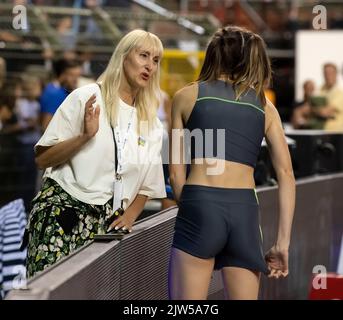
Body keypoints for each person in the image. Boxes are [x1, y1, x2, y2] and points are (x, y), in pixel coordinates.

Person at [23, 29, 166, 278]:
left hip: (105, 227)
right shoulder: (87, 97)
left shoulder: (151, 123)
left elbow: (148, 185)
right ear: (123, 56)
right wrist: (84, 137)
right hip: (60, 214)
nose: (150, 66)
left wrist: (130, 217)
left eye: (155, 60)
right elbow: (42, 159)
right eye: (143, 55)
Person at [168, 26, 295, 300]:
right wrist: (282, 243)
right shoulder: (264, 106)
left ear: (213, 54)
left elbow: (176, 174)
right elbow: (285, 173)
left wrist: (195, 212)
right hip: (245, 213)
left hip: (201, 203)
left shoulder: (186, 97)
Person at [40, 58, 81, 132]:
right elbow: (45, 126)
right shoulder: (54, 93)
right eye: (72, 75)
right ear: (62, 75)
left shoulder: (59, 90)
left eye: (78, 76)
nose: (76, 80)